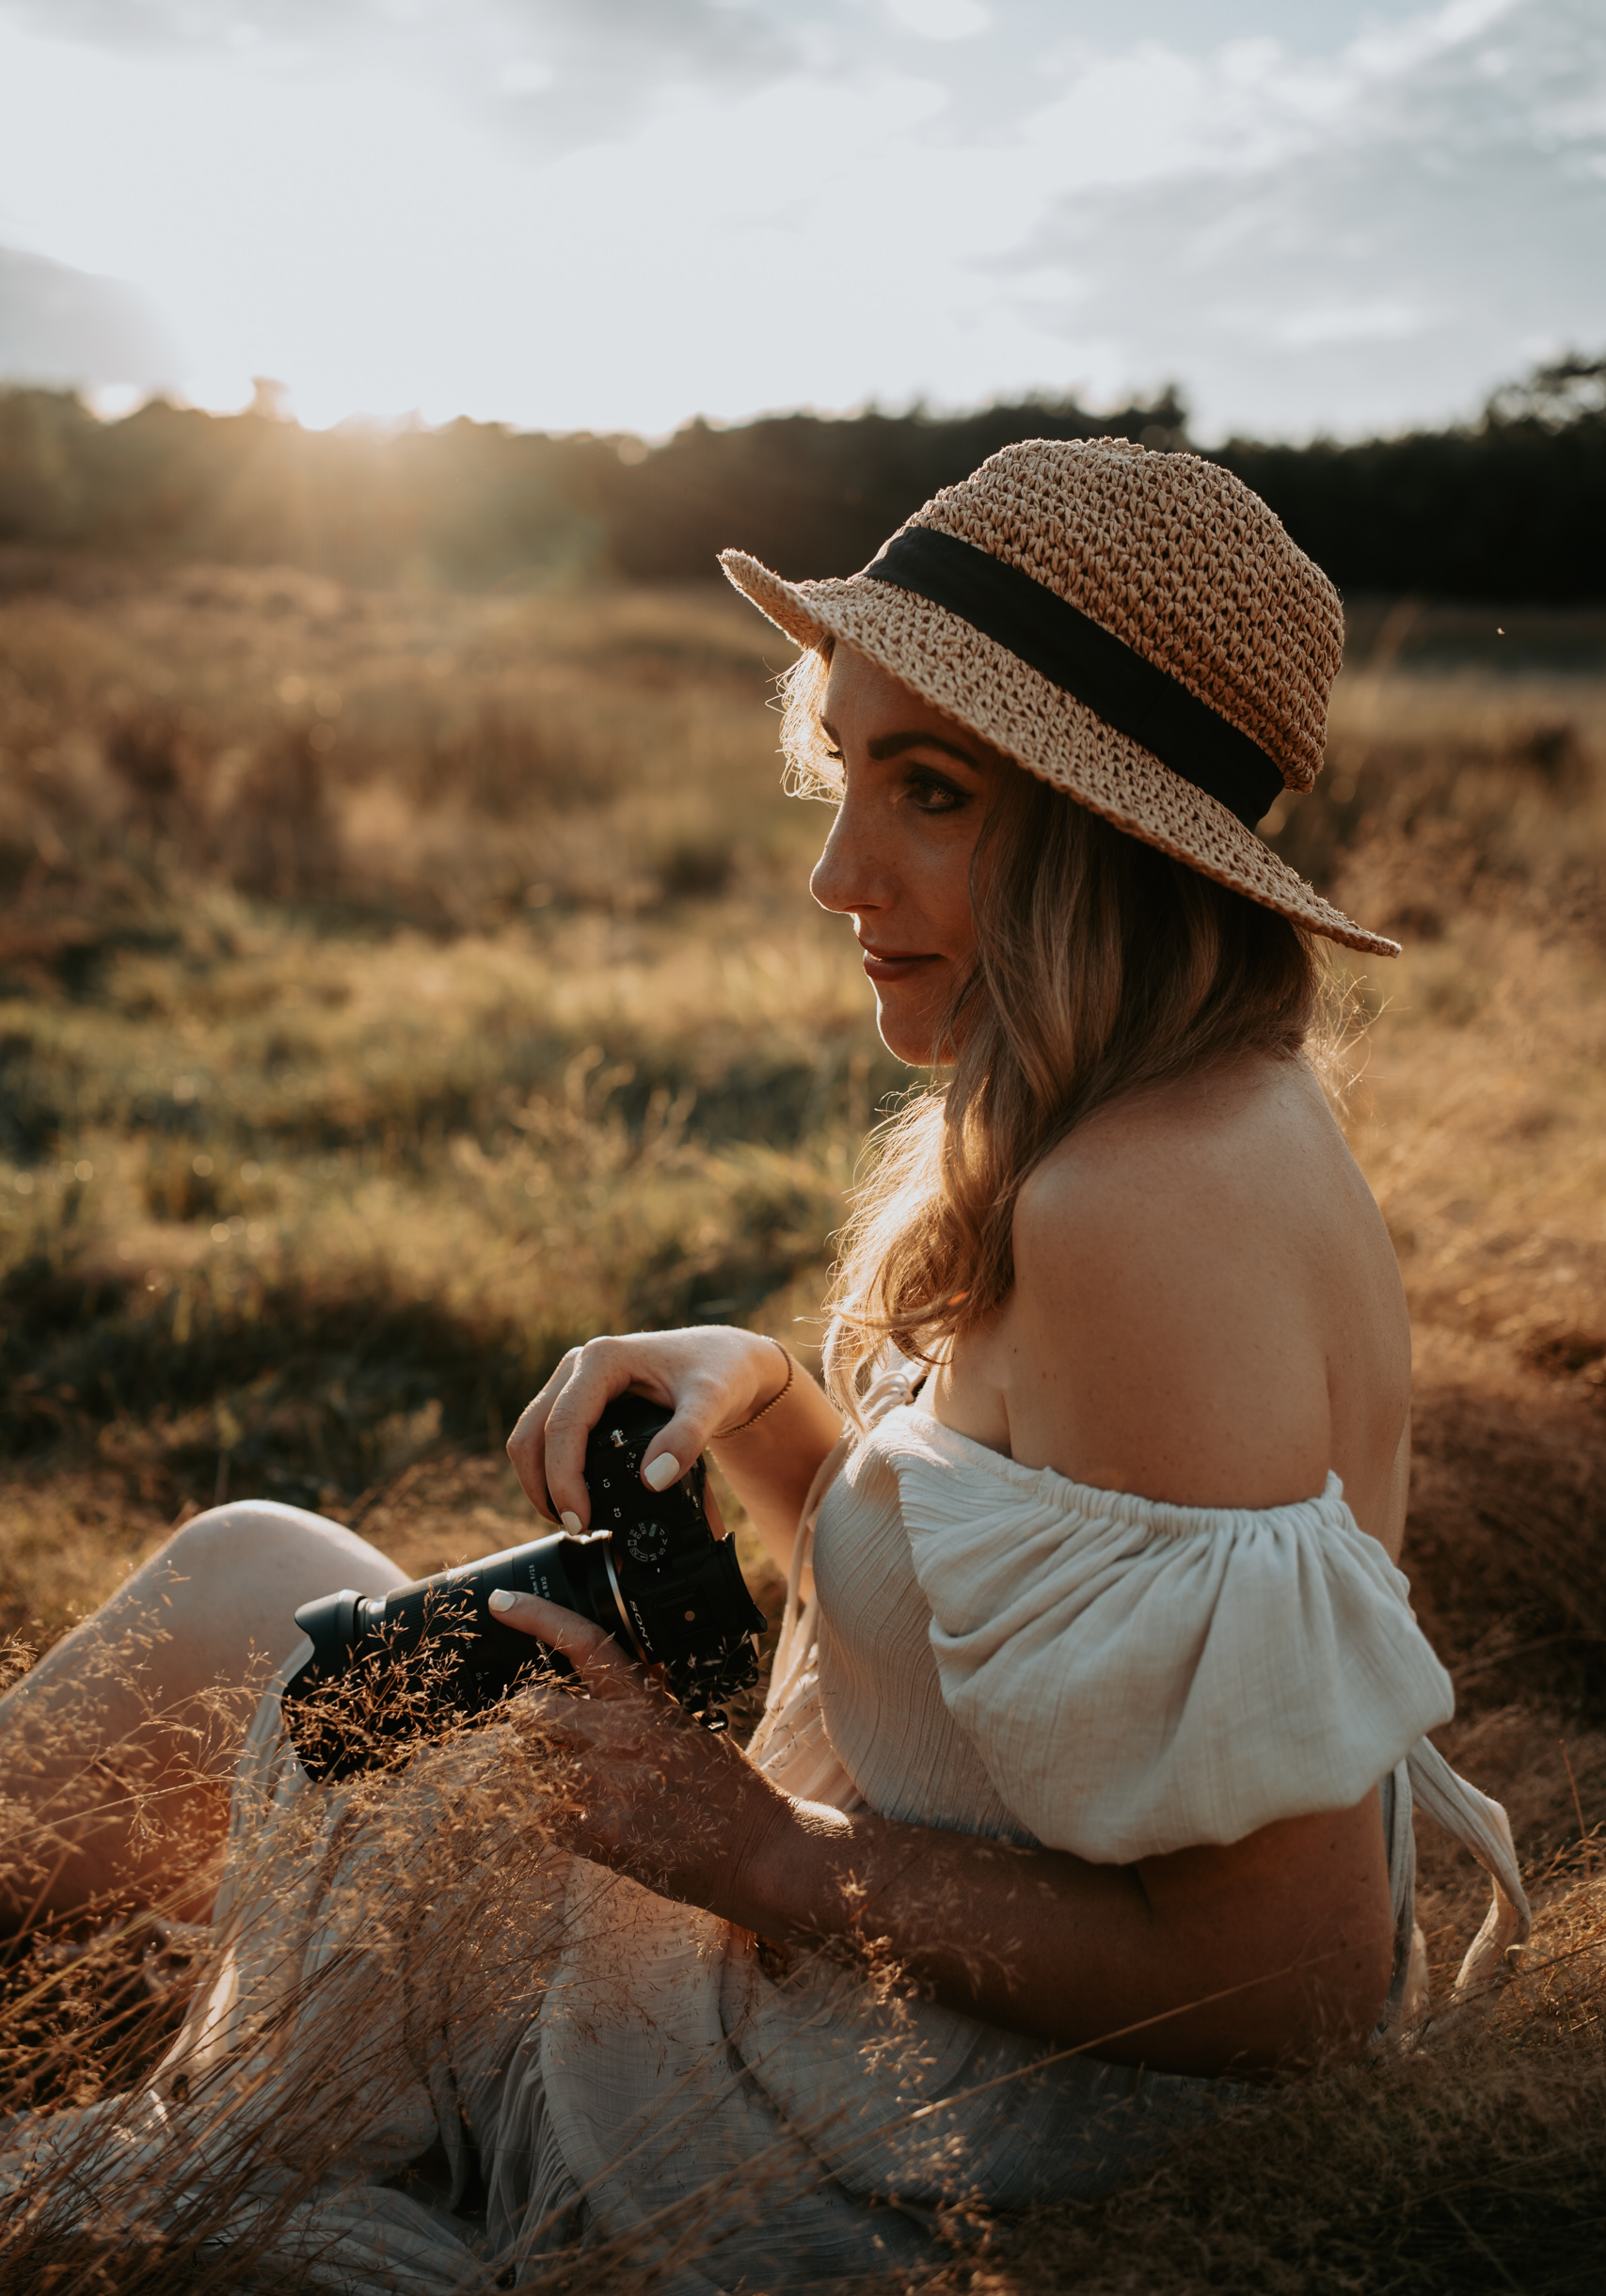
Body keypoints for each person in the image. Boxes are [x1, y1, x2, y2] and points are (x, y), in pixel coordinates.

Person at [0, 440, 1528, 2294]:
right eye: (845, 765)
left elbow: (1282, 1975)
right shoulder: (1186, 1106)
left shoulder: (1147, 1208)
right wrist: (779, 1411)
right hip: (886, 1998)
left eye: (932, 790)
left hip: (877, 2121)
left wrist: (759, 1849)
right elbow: (1013, 1682)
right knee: (264, 1577)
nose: (834, 868)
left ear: (1111, 829)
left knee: (271, 1620)